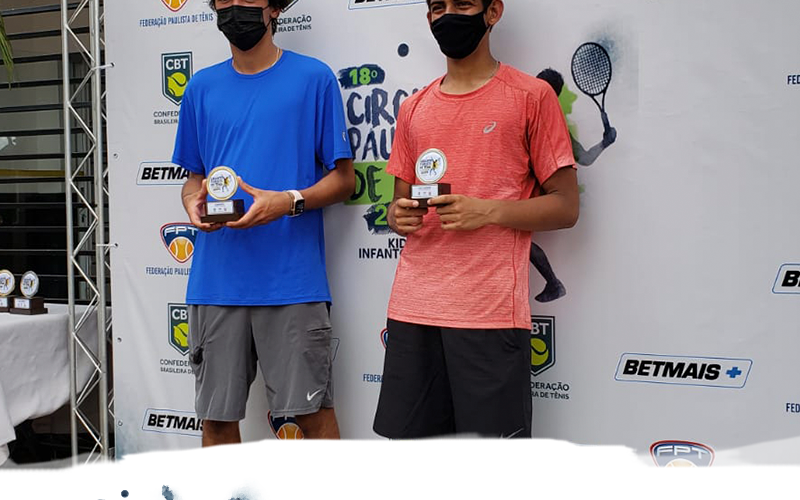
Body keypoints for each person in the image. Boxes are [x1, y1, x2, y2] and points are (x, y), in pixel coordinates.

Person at [372, 0, 579, 439]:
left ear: (493, 12)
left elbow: (565, 206)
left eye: (462, 3)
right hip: (413, 311)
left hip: (490, 315)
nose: (448, 15)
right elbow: (398, 205)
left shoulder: (531, 96)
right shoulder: (413, 108)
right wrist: (397, 215)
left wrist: (486, 211)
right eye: (438, 6)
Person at [172, 0, 355, 444]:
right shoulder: (200, 87)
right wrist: (192, 204)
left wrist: (288, 202)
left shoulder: (313, 78)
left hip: (292, 283)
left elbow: (344, 180)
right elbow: (194, 181)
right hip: (216, 284)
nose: (235, 7)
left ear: (273, 7)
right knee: (216, 422)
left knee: (313, 416)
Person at [529, 68, 618, 303]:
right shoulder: (524, 114)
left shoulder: (555, 127)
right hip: (519, 194)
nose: (534, 93)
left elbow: (584, 158)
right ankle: (553, 283)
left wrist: (604, 144)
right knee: (516, 240)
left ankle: (553, 284)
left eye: (541, 89)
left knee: (517, 239)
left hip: (532, 197)